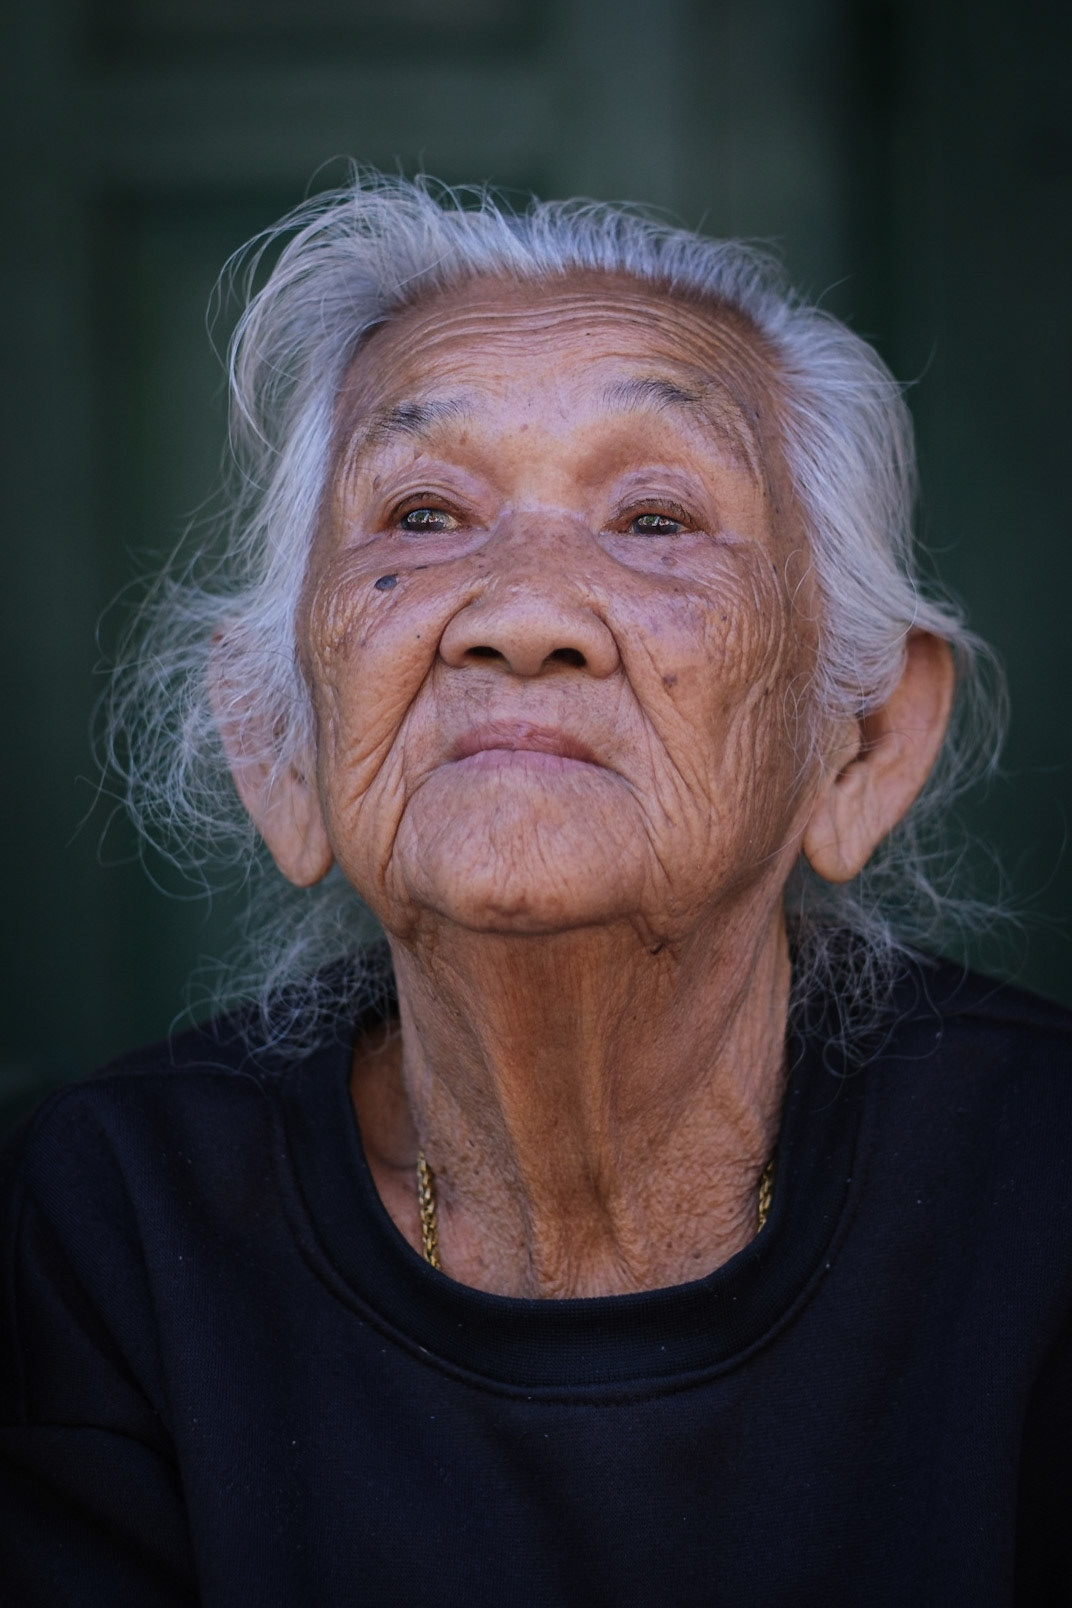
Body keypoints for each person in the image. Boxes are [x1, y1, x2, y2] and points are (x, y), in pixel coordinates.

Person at [2, 172, 1069, 1607]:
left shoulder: (1044, 1197)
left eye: (656, 521)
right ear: (280, 746)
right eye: (426, 515)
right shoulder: (106, 1232)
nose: (521, 614)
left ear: (862, 743)